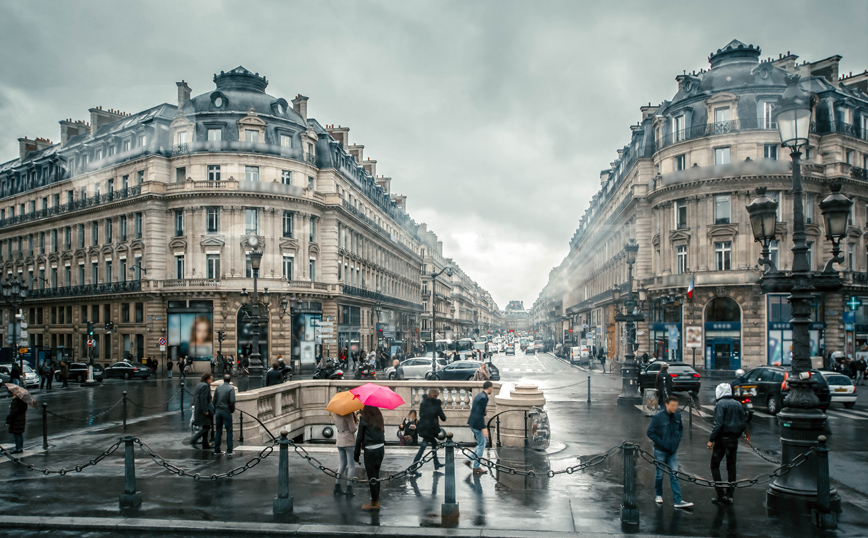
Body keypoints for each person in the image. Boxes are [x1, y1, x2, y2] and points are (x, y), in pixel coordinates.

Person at [647, 396, 693, 509]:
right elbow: (650, 432)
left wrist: (677, 440)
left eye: (676, 405)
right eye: (672, 405)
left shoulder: (677, 415)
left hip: (672, 450)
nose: (674, 408)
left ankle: (678, 500)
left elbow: (681, 428)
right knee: (660, 474)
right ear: (666, 405)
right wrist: (661, 442)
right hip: (660, 450)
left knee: (674, 475)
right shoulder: (658, 417)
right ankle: (658, 494)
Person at [708, 383, 747, 505]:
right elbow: (743, 422)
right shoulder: (737, 403)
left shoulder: (720, 404)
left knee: (714, 465)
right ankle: (730, 494)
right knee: (731, 467)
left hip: (722, 439)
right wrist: (737, 434)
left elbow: (718, 424)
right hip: (733, 440)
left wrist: (711, 439)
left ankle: (720, 494)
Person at [354, 405, 385, 511]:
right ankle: (376, 500)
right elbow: (382, 432)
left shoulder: (364, 417)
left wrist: (356, 453)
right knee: (376, 475)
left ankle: (374, 503)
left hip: (370, 449)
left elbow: (359, 437)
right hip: (380, 448)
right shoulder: (379, 415)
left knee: (371, 476)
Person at [414, 388, 446, 472]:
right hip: (430, 430)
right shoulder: (436, 404)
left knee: (434, 443)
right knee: (423, 447)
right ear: (436, 395)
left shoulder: (423, 403)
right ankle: (414, 466)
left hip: (424, 428)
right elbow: (443, 418)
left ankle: (436, 463)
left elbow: (421, 414)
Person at [466, 381, 493, 475]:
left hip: (472, 422)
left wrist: (484, 411)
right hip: (477, 424)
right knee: (482, 445)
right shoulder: (484, 398)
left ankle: (469, 460)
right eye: (492, 388)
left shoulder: (479, 395)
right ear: (489, 388)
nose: (492, 389)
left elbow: (478, 410)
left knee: (481, 443)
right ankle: (476, 467)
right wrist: (483, 427)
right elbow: (479, 414)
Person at [334, 410, 358, 497]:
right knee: (351, 466)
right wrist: (356, 422)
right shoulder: (348, 414)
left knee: (342, 465)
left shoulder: (335, 413)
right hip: (348, 441)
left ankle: (337, 486)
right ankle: (349, 489)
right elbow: (353, 429)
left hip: (339, 440)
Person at [213, 374, 236, 455]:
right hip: (226, 412)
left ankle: (217, 449)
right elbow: (232, 401)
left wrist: (216, 408)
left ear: (223, 380)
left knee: (218, 430)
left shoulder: (218, 388)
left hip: (218, 411)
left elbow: (214, 400)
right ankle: (229, 450)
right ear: (230, 380)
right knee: (229, 431)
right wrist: (231, 410)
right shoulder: (231, 388)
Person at [190, 373, 213, 450]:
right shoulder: (205, 386)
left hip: (199, 409)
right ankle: (194, 439)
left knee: (205, 426)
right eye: (211, 379)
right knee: (206, 427)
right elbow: (204, 399)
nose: (211, 381)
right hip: (203, 410)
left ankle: (205, 443)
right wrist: (205, 410)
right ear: (207, 379)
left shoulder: (199, 385)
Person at [6, 389, 28, 453]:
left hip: (16, 420)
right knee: (19, 434)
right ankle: (20, 447)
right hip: (21, 419)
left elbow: (13, 411)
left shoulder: (16, 400)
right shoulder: (23, 400)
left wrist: (9, 418)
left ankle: (18, 448)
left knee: (16, 434)